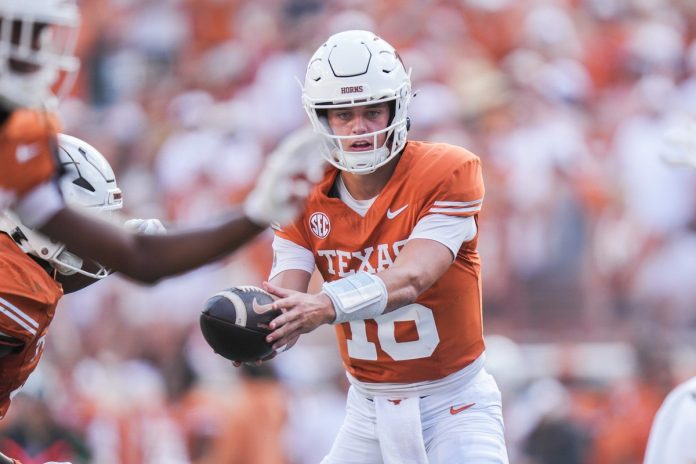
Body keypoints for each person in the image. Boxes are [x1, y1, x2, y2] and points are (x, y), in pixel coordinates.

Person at [261, 30, 509, 463]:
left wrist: (323, 305)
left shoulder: (447, 170)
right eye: (343, 114)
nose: (359, 127)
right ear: (321, 119)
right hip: (366, 414)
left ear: (398, 107)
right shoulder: (302, 188)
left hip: (455, 405)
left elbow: (411, 278)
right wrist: (257, 330)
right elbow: (286, 299)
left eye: (372, 111)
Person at [0, 0, 322, 285]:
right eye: (24, 35)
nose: (40, 58)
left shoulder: (16, 145)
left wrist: (256, 213)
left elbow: (141, 257)